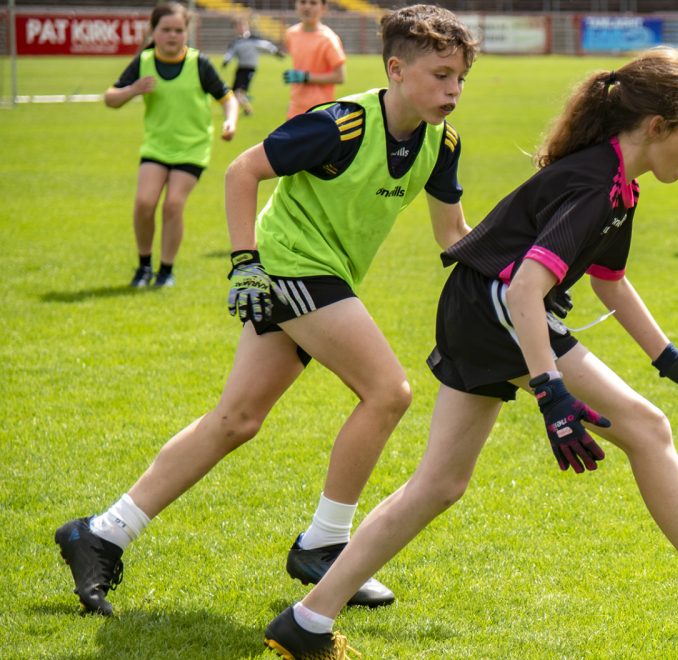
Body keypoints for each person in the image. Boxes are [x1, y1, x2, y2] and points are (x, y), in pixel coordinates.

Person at [262, 47, 678, 659]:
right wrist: (551, 389)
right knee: (647, 428)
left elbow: (609, 278)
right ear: (658, 128)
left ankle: (307, 623)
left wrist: (668, 357)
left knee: (439, 484)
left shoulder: (618, 182)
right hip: (500, 310)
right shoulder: (594, 186)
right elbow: (528, 287)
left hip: (480, 306)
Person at [54, 4, 478, 618]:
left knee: (237, 420)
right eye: (441, 75)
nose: (454, 89)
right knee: (388, 392)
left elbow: (453, 233)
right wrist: (244, 263)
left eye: (461, 77)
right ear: (396, 69)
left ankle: (101, 532)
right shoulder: (340, 125)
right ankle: (325, 545)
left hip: (321, 274)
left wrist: (524, 261)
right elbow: (243, 169)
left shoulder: (443, 143)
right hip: (290, 265)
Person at [104, 1, 238, 288]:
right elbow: (110, 98)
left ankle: (166, 271)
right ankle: (143, 267)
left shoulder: (198, 63)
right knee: (144, 203)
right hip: (157, 147)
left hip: (193, 147)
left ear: (186, 32)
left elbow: (228, 99)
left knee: (173, 204)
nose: (173, 35)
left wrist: (231, 122)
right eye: (166, 30)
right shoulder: (144, 62)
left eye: (179, 30)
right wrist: (132, 90)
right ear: (153, 31)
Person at [283, 0, 346, 119]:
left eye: (313, 3)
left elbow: (340, 76)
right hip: (295, 109)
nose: (307, 7)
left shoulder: (328, 40)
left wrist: (306, 77)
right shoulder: (291, 34)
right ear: (296, 4)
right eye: (303, 2)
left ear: (323, 7)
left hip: (320, 110)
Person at [223, 14, 284, 116]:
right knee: (234, 93)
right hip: (240, 69)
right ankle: (247, 110)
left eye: (243, 25)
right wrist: (226, 60)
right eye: (238, 26)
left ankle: (236, 112)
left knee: (239, 92)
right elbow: (230, 53)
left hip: (250, 69)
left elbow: (265, 45)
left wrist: (276, 52)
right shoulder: (236, 42)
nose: (241, 28)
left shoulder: (253, 39)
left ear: (247, 26)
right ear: (235, 29)